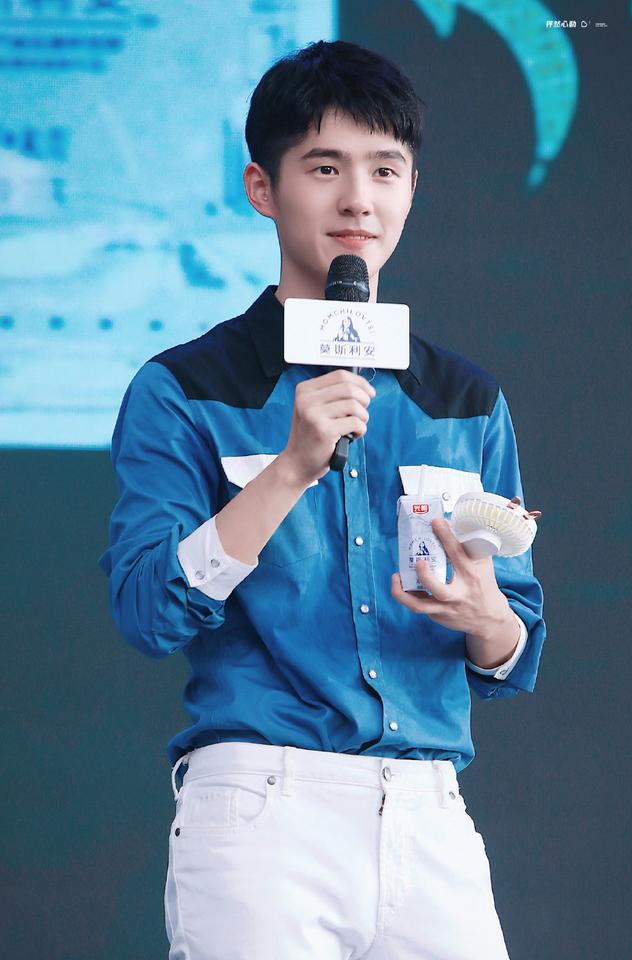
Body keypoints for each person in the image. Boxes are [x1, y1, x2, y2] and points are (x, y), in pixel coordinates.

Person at [99, 39, 545, 960]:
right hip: (262, 809)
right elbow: (146, 611)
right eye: (325, 168)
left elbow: (515, 645)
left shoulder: (465, 400)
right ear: (263, 188)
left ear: (412, 189)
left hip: (428, 811)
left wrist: (487, 617)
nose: (358, 200)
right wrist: (290, 468)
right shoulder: (185, 389)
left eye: (385, 170)